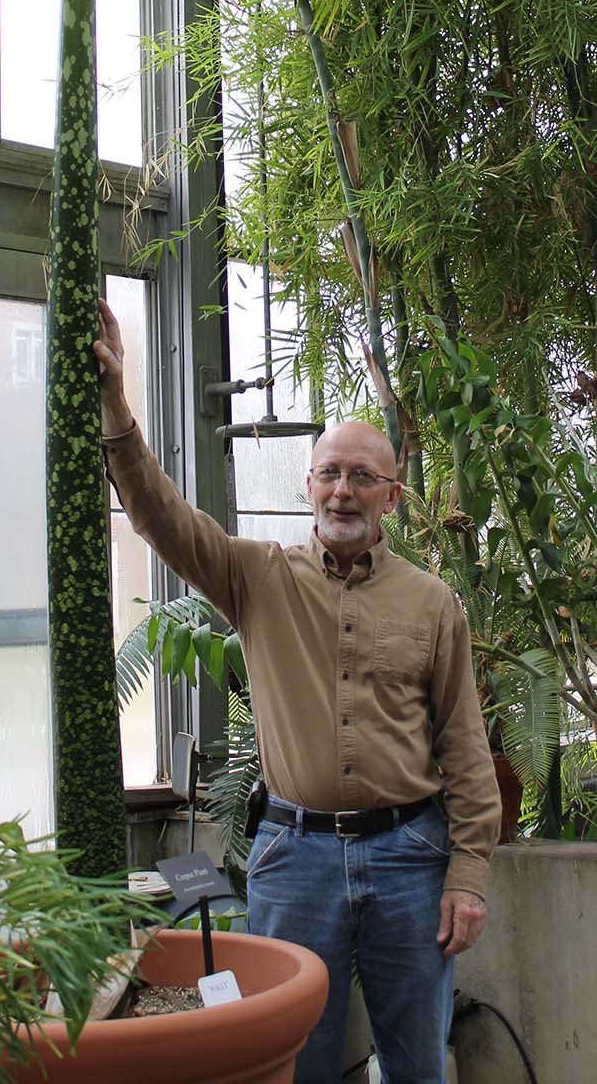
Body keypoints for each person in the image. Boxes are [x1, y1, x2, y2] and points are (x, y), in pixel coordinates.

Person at [95, 300, 501, 1084]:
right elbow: (162, 517)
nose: (342, 491)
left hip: (411, 859)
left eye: (362, 477)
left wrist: (469, 877)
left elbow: (465, 749)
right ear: (309, 483)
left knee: (416, 1062)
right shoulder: (257, 577)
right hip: (295, 857)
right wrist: (118, 409)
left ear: (391, 495)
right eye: (329, 473)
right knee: (293, 1064)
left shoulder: (431, 605)